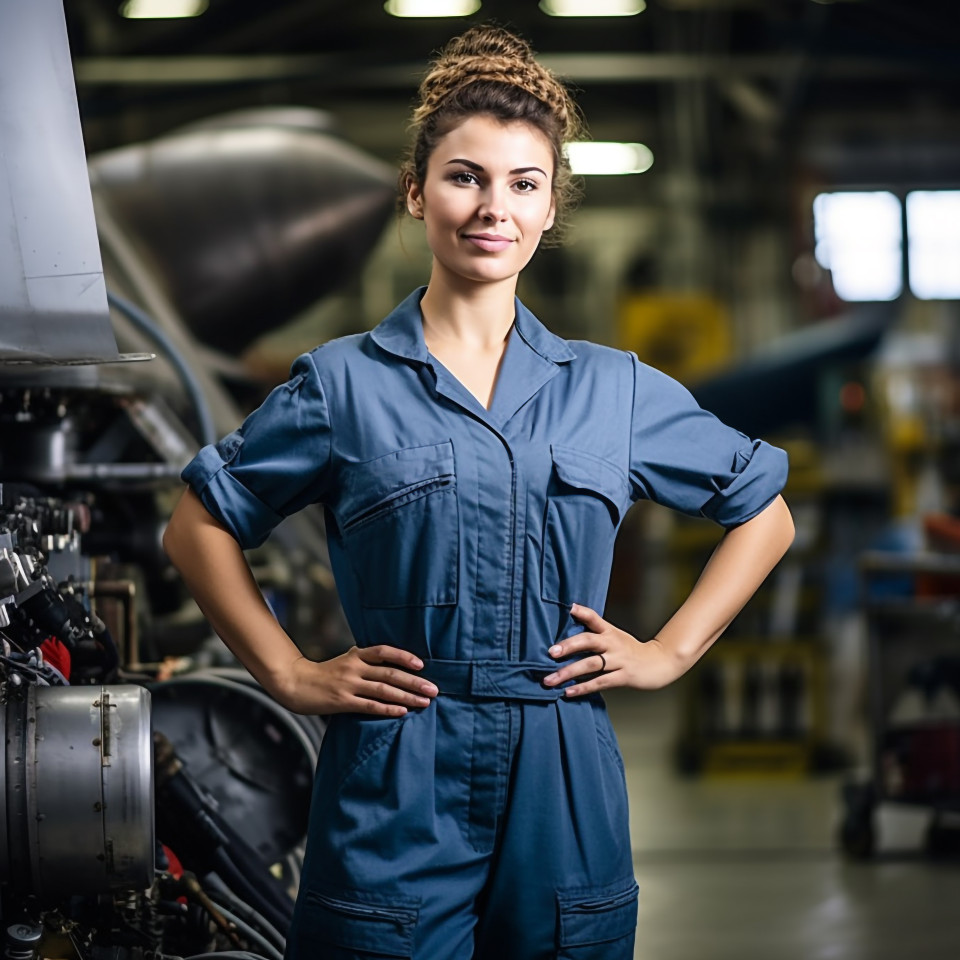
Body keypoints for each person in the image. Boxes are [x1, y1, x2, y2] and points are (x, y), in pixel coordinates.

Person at [163, 24, 795, 960]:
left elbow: (764, 511)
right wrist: (290, 673)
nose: (492, 207)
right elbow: (198, 525)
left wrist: (668, 651)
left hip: (563, 766)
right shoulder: (342, 386)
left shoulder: (612, 390)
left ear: (549, 210)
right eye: (465, 176)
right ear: (417, 194)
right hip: (397, 762)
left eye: (523, 184)